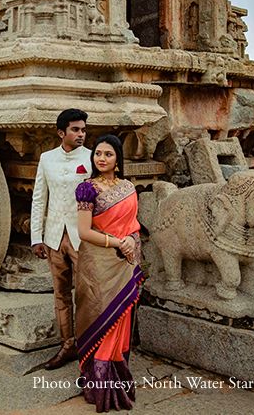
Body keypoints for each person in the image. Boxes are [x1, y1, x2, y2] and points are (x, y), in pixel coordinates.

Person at [75, 134, 143, 412]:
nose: (101, 159)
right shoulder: (87, 189)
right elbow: (84, 231)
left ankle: (116, 373)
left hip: (124, 261)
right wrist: (118, 242)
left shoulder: (128, 187)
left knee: (120, 319)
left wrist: (130, 240)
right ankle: (99, 382)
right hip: (97, 262)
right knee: (101, 315)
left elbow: (133, 225)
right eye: (98, 154)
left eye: (108, 154)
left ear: (117, 159)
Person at [31, 108, 91, 370]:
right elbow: (39, 198)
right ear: (61, 132)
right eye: (75, 129)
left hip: (84, 238)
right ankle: (68, 344)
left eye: (83, 130)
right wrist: (36, 237)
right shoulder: (46, 159)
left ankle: (90, 346)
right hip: (55, 236)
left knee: (88, 295)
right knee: (60, 294)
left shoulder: (93, 158)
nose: (81, 134)